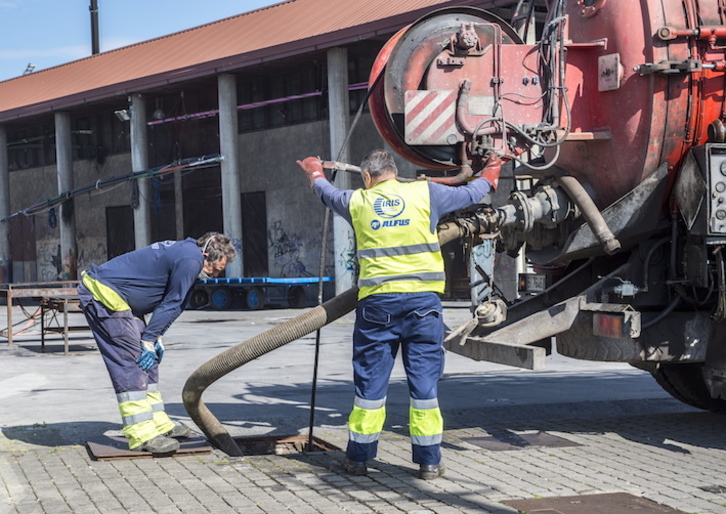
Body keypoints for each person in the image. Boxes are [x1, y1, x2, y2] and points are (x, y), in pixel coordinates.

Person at [297, 149, 502, 480]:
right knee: (424, 387)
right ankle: (429, 463)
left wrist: (314, 171)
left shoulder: (358, 201)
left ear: (368, 177)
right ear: (394, 172)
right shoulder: (425, 192)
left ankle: (359, 459)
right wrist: (490, 174)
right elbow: (469, 193)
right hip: (423, 306)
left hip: (378, 306)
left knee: (370, 387)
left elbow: (326, 193)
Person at [77, 232, 236, 454]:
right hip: (105, 296)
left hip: (122, 300)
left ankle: (157, 422)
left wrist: (155, 336)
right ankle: (141, 434)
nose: (218, 274)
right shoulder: (191, 260)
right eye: (217, 268)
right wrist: (149, 338)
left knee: (148, 361)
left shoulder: (188, 254)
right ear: (207, 255)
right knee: (132, 362)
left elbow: (171, 302)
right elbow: (173, 302)